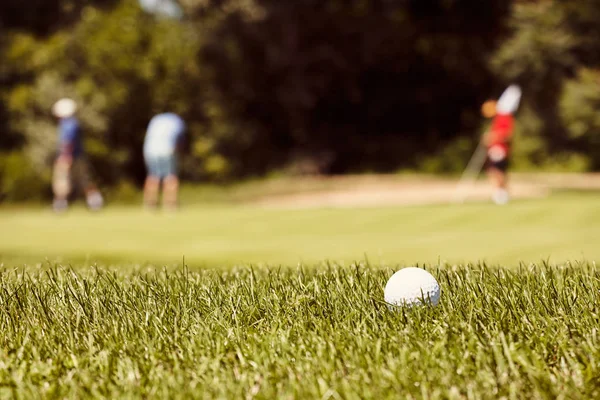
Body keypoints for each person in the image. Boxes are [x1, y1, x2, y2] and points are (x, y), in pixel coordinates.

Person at [51, 98, 104, 212]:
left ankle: (60, 205)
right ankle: (95, 202)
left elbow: (67, 141)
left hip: (69, 157)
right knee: (84, 180)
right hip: (78, 156)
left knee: (63, 180)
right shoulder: (73, 123)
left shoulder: (68, 124)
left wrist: (66, 156)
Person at [481, 85, 522, 205]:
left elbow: (507, 134)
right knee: (495, 171)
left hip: (499, 149)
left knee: (496, 171)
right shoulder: (500, 117)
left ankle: (501, 193)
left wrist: (492, 137)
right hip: (497, 148)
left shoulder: (504, 117)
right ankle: (501, 193)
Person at [143, 112, 186, 210]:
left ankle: (150, 206)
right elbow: (180, 140)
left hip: (150, 150)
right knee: (170, 176)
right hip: (167, 149)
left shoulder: (155, 119)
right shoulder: (177, 121)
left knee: (153, 176)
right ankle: (170, 205)